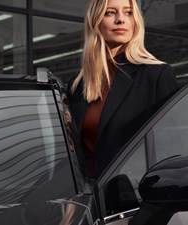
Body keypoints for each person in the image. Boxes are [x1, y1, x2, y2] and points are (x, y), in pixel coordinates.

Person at [67, 0, 178, 178]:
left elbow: (170, 147)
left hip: (132, 197)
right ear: (95, 21)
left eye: (128, 13)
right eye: (110, 13)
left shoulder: (156, 75)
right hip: (85, 197)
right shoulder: (77, 85)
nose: (121, 20)